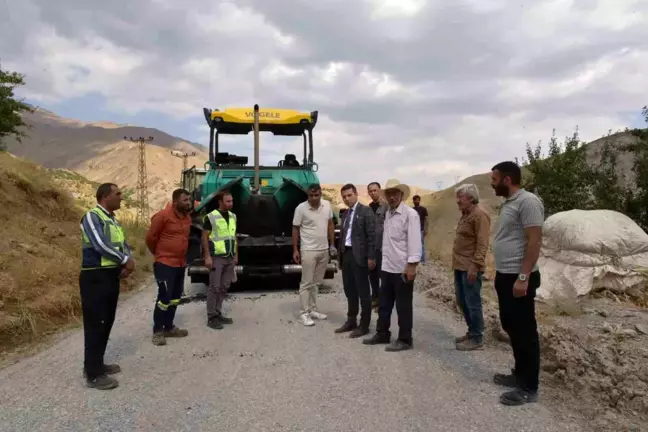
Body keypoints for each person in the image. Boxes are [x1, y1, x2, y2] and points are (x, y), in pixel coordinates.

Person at [490, 161, 544, 406]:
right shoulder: (510, 203)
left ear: (507, 179)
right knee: (510, 325)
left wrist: (523, 277)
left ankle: (529, 387)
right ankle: (519, 374)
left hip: (519, 277)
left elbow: (534, 242)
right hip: (505, 275)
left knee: (525, 331)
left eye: (495, 179)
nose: (492, 183)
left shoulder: (528, 201)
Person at [79, 183, 135, 390]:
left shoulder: (113, 220)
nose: (121, 197)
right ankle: (93, 374)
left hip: (110, 275)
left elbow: (123, 244)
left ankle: (98, 363)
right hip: (95, 276)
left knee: (106, 321)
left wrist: (128, 260)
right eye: (118, 194)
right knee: (95, 323)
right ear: (105, 197)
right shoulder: (93, 217)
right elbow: (99, 245)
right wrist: (124, 260)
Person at [363, 179, 421, 351]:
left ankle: (405, 339)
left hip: (402, 269)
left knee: (403, 306)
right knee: (384, 303)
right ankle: (382, 333)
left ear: (401, 195)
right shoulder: (387, 213)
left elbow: (415, 243)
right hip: (387, 267)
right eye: (389, 193)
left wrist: (412, 266)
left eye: (395, 193)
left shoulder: (410, 215)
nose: (392, 196)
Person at [145, 188, 193, 346]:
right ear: (175, 202)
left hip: (180, 263)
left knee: (175, 297)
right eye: (185, 200)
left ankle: (169, 327)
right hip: (165, 263)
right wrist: (159, 254)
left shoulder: (187, 217)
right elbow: (150, 238)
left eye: (189, 200)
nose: (188, 203)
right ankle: (157, 331)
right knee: (164, 297)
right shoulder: (162, 216)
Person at [452, 183, 491, 351]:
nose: (457, 201)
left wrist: (475, 266)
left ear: (470, 197)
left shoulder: (479, 215)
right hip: (460, 266)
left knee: (472, 302)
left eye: (460, 197)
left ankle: (477, 337)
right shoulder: (466, 214)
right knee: (462, 301)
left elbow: (482, 244)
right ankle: (471, 331)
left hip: (470, 267)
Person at [335, 184, 376, 338]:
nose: (347, 198)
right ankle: (351, 320)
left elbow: (372, 236)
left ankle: (364, 325)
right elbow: (342, 236)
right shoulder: (345, 214)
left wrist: (371, 257)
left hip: (360, 256)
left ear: (356, 194)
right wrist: (340, 257)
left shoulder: (366, 211)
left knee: (363, 292)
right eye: (344, 196)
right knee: (349, 289)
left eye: (350, 195)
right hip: (347, 254)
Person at [292, 183, 336, 326]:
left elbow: (330, 225)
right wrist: (295, 249)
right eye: (311, 195)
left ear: (320, 194)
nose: (314, 198)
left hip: (324, 250)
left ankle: (312, 309)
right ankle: (303, 313)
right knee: (306, 283)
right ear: (308, 195)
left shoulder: (327, 206)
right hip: (308, 250)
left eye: (316, 195)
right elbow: (295, 228)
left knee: (316, 283)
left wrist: (332, 244)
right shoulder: (301, 208)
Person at [202, 190, 238, 330]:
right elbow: (204, 237)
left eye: (232, 201)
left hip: (229, 257)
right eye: (228, 201)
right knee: (214, 287)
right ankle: (211, 317)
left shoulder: (233, 216)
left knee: (224, 287)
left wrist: (236, 255)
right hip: (217, 257)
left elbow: (234, 236)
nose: (231, 203)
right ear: (220, 202)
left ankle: (218, 312)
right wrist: (207, 256)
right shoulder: (211, 217)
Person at [367, 181, 388, 311]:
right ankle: (374, 298)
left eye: (375, 190)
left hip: (383, 247)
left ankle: (382, 300)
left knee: (383, 275)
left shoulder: (386, 207)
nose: (373, 193)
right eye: (371, 191)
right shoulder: (368, 208)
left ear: (379, 190)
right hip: (372, 247)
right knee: (372, 274)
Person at [412, 194, 428, 263]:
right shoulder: (412, 210)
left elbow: (426, 220)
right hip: (414, 230)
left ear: (419, 200)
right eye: (415, 200)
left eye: (417, 200)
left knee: (421, 244)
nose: (416, 201)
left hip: (421, 229)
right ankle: (417, 258)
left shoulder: (423, 209)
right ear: (413, 201)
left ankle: (423, 260)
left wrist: (426, 229)